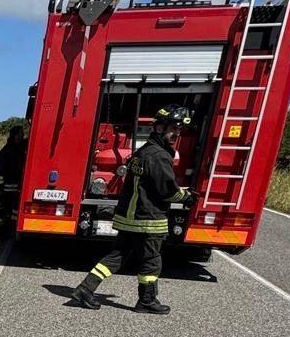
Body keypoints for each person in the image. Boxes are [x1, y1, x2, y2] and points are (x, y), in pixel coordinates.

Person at [69, 106, 197, 314]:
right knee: (151, 261)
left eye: (179, 130)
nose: (176, 134)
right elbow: (167, 191)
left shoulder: (143, 152)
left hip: (130, 217)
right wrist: (187, 197)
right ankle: (146, 301)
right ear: (160, 128)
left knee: (116, 257)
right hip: (148, 219)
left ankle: (84, 290)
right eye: (174, 128)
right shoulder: (159, 156)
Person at [0, 125, 27, 227]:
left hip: (16, 188)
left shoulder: (20, 148)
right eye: (21, 133)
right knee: (4, 210)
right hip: (7, 189)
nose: (23, 135)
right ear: (15, 135)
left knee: (14, 211)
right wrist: (0, 188)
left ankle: (9, 229)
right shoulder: (6, 151)